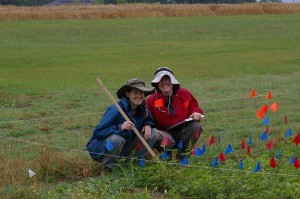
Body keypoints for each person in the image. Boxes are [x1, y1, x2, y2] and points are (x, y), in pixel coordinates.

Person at [86, 78, 158, 172]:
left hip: (124, 148)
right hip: (104, 149)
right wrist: (120, 128)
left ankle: (132, 164)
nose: (139, 96)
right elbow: (98, 132)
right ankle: (108, 168)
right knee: (116, 139)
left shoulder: (142, 109)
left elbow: (149, 118)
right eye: (135, 92)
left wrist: (148, 123)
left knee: (153, 133)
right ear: (127, 94)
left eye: (141, 93)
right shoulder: (116, 109)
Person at [146, 67, 204, 160]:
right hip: (163, 133)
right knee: (157, 136)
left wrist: (196, 113)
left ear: (173, 81)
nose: (164, 83)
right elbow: (146, 117)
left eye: (167, 79)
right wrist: (152, 128)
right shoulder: (151, 100)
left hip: (182, 131)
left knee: (195, 126)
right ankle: (165, 159)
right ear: (157, 84)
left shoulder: (184, 94)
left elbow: (195, 107)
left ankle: (182, 159)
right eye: (160, 80)